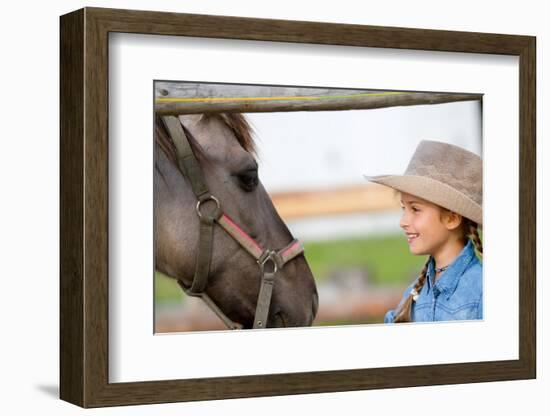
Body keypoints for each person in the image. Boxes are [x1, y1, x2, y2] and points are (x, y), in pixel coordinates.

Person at [363, 140, 483, 323]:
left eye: (415, 209)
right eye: (404, 208)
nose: (403, 222)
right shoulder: (413, 295)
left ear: (452, 218)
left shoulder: (484, 291)